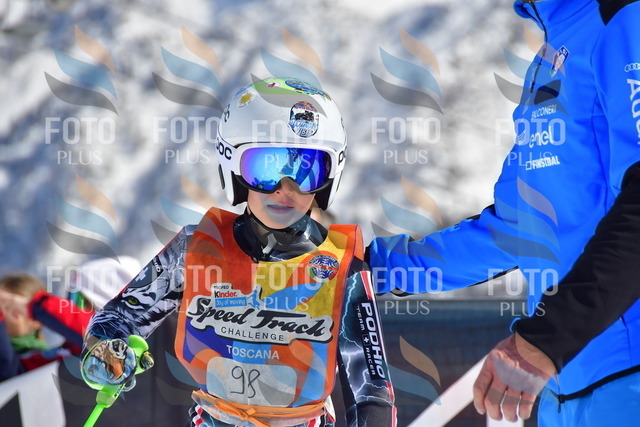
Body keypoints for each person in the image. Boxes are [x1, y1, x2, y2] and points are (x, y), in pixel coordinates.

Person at [367, 0, 640, 425]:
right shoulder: (553, 47)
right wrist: (373, 268)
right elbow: (516, 228)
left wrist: (547, 339)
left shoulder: (624, 17)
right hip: (564, 390)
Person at [81, 77, 396, 427]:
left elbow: (371, 390)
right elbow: (119, 317)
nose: (285, 190)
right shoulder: (196, 249)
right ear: (234, 166)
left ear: (329, 176)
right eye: (266, 169)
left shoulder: (341, 267)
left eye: (305, 170)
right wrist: (106, 352)